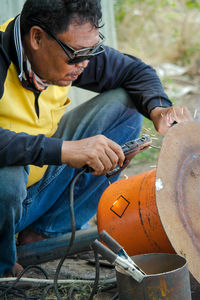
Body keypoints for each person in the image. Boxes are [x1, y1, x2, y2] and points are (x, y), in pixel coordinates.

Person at [0, 0, 192, 277]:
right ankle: (4, 267)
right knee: (7, 175)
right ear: (37, 37)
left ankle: (42, 234)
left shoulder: (69, 49)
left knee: (123, 106)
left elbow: (135, 72)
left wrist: (159, 108)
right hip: (6, 196)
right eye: (77, 54)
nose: (85, 63)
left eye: (91, 51)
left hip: (32, 193)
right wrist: (65, 150)